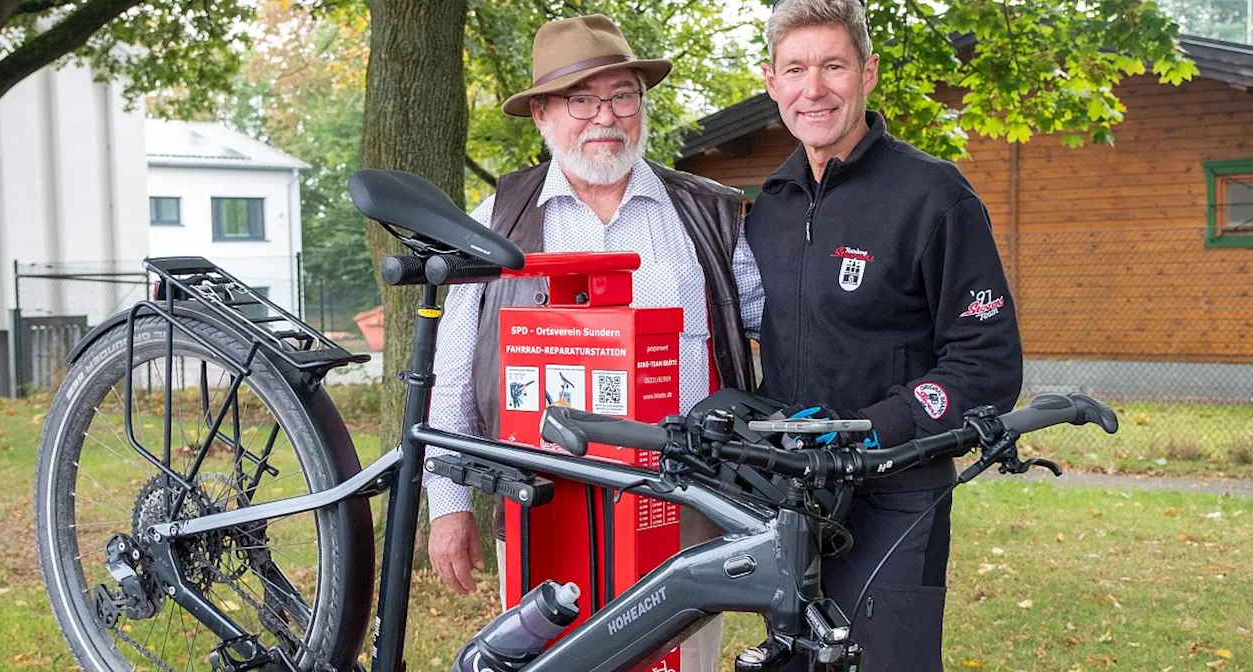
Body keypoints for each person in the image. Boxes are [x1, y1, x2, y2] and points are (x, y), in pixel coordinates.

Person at [422, 14, 764, 671]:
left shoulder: (712, 214)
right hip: (544, 507)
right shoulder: (494, 224)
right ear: (543, 115)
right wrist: (449, 505)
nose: (604, 115)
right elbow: (455, 374)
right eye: (580, 99)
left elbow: (784, 332)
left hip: (685, 509)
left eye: (622, 95)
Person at [745, 1, 1023, 670]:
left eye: (834, 66)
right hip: (792, 498)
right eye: (796, 69)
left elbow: (986, 362)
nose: (814, 89)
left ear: (868, 73)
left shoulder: (933, 195)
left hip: (898, 495)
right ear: (771, 80)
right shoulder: (770, 206)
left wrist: (869, 429)